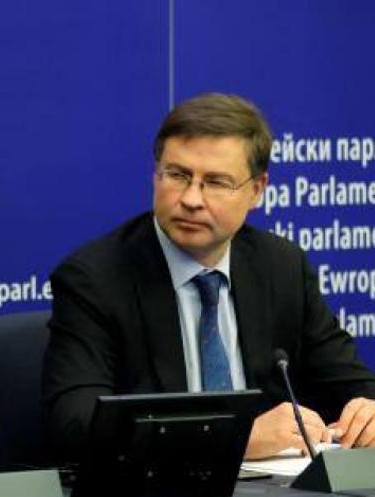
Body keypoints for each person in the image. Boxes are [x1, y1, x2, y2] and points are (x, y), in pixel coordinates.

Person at [44, 92, 375, 464]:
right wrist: (234, 439)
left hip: (277, 491)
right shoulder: (95, 279)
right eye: (177, 175)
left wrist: (367, 414)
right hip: (154, 493)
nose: (191, 199)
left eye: (215, 182)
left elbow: (350, 386)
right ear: (155, 173)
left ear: (256, 190)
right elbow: (77, 426)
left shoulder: (282, 267)